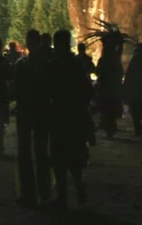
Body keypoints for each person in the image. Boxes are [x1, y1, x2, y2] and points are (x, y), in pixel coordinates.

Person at [48, 29, 89, 207]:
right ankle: (79, 190)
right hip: (75, 116)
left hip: (58, 116)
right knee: (75, 156)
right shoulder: (77, 65)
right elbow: (88, 90)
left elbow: (46, 91)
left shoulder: (54, 65)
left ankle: (62, 197)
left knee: (59, 158)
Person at [14, 29, 51, 207]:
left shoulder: (22, 64)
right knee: (42, 151)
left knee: (24, 153)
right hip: (42, 111)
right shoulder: (47, 64)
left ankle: (27, 193)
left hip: (25, 111)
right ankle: (44, 191)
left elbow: (14, 89)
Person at [95, 28, 124, 138]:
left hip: (107, 89)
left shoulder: (106, 59)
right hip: (111, 89)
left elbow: (98, 71)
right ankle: (109, 127)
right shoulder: (114, 58)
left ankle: (109, 127)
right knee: (109, 109)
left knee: (107, 109)